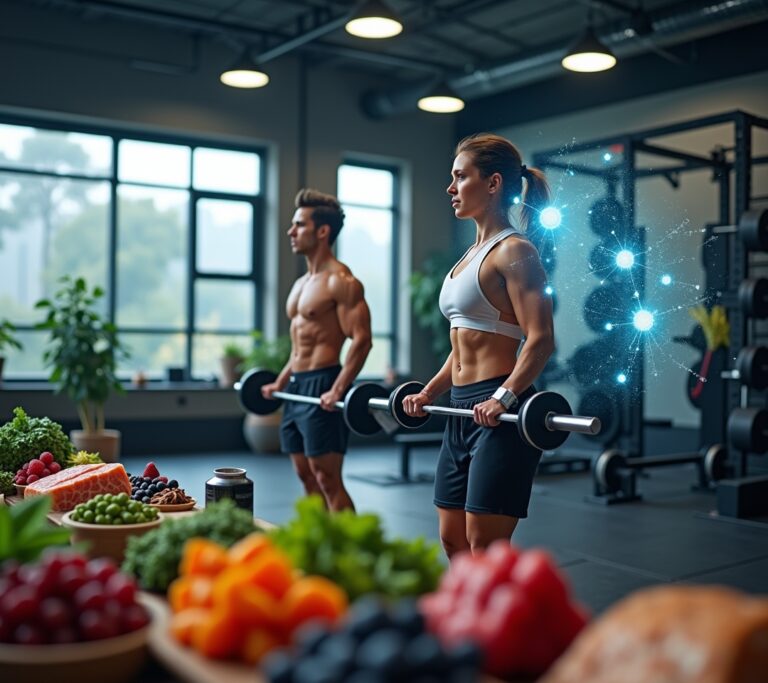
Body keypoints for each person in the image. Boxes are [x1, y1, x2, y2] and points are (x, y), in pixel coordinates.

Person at [403, 133, 555, 559]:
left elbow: (540, 338)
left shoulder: (516, 251)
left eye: (460, 177)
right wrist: (430, 392)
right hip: (461, 410)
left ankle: (496, 625)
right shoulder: (467, 257)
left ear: (492, 184)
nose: (450, 188)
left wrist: (504, 399)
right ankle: (467, 622)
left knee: (484, 545)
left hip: (500, 415)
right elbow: (462, 345)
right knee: (452, 540)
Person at [261, 189, 372, 512]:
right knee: (305, 475)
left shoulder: (341, 281)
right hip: (297, 388)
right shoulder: (300, 285)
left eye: (299, 225)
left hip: (324, 384)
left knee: (327, 478)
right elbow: (299, 348)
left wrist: (338, 389)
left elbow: (362, 339)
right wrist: (279, 383)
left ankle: (353, 550)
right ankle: (323, 544)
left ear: (322, 231)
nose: (290, 232)